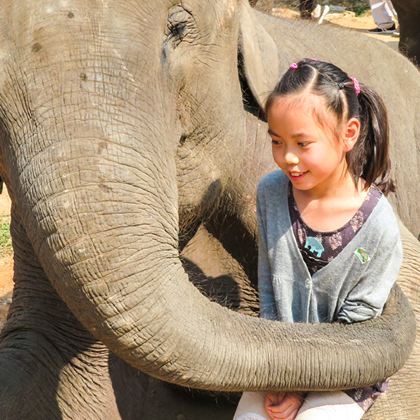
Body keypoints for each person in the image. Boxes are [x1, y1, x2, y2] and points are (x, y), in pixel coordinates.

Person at [233, 58, 402, 420]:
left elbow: (358, 322)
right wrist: (279, 373)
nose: (287, 158)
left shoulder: (379, 226)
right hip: (282, 353)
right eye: (277, 142)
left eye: (302, 143)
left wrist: (302, 385)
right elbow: (268, 285)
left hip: (347, 367)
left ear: (349, 134)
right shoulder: (271, 193)